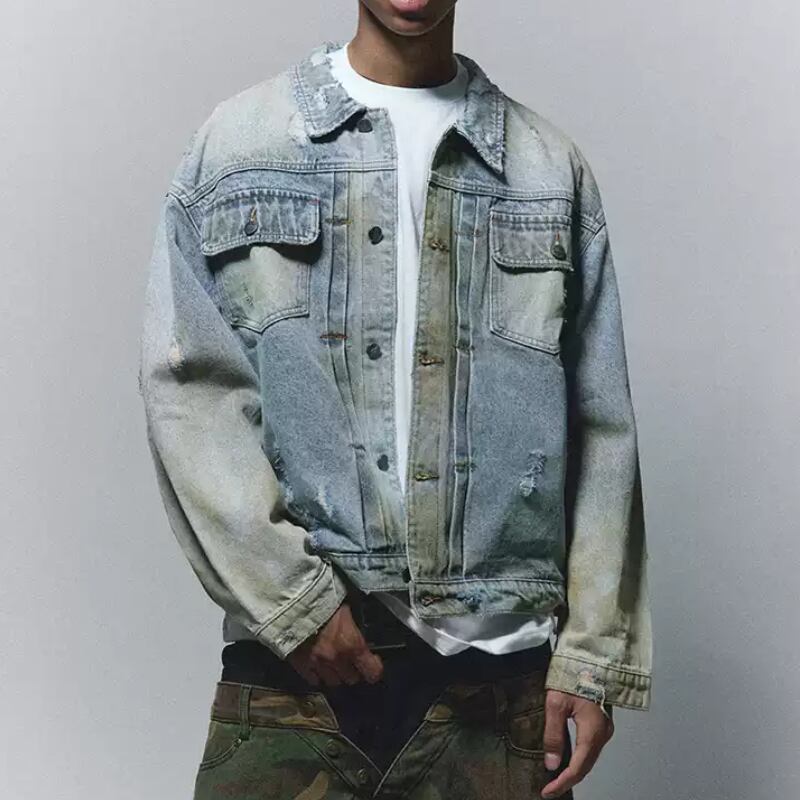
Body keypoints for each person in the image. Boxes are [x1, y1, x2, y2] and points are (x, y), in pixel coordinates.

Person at [138, 1, 653, 798]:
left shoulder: (549, 169)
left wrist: (592, 655)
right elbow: (191, 392)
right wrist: (293, 602)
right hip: (295, 683)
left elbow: (601, 426)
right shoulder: (238, 148)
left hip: (499, 690)